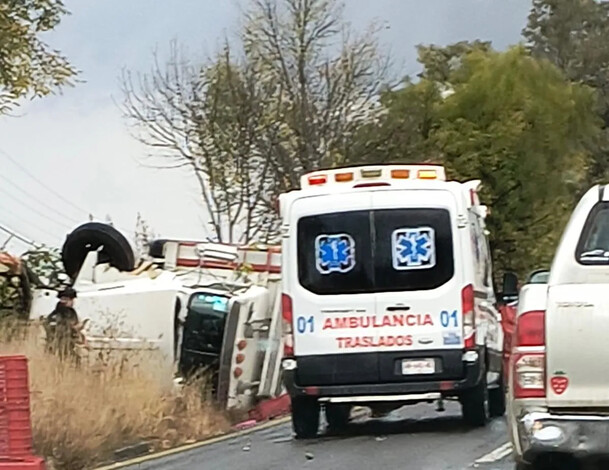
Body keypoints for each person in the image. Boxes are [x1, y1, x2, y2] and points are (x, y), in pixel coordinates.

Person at [44, 287, 83, 362]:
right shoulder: (64, 313)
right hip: (63, 346)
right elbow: (67, 328)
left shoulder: (57, 312)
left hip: (60, 346)